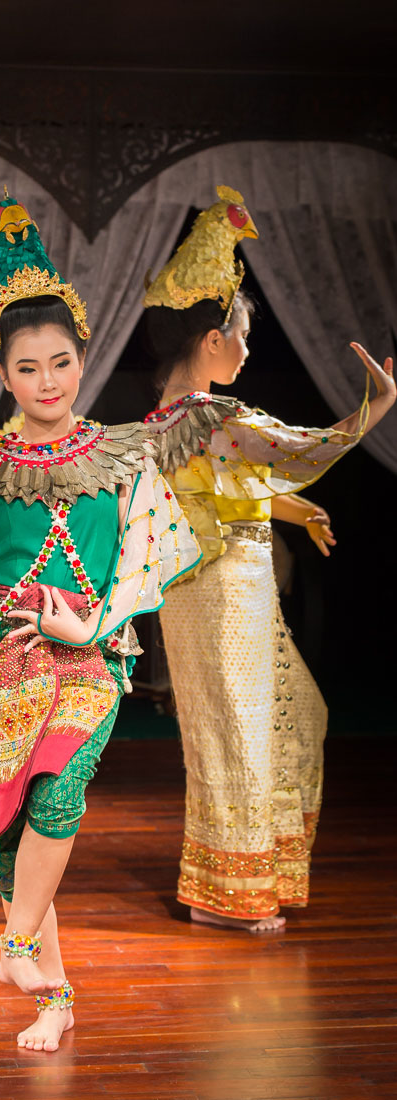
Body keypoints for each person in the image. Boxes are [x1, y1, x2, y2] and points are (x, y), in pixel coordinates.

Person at [0, 192, 201, 1050]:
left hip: (90, 654)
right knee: (9, 829)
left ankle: (17, 945)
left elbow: (150, 557)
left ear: (82, 356)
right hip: (3, 653)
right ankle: (52, 995)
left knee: (61, 792)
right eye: (28, 370)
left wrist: (91, 627)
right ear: (4, 374)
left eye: (60, 362)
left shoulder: (124, 453)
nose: (49, 383)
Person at [142, 185, 395, 933]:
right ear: (212, 339)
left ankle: (239, 878)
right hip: (222, 588)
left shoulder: (171, 415)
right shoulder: (212, 414)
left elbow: (222, 490)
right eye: (243, 337)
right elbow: (301, 451)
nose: (250, 352)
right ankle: (229, 893)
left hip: (215, 588)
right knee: (242, 731)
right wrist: (372, 410)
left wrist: (288, 506)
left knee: (267, 724)